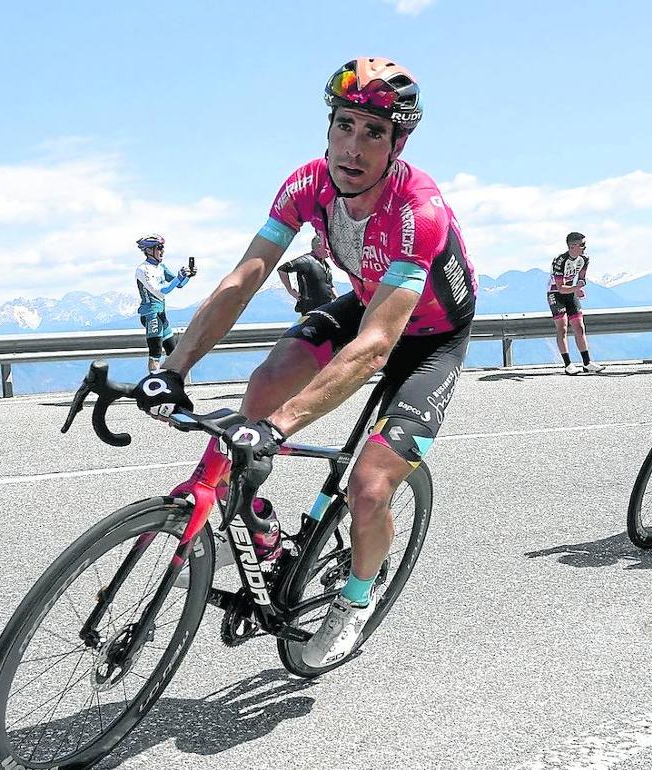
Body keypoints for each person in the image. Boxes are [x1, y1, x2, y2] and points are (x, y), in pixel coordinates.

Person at [133, 57, 477, 669]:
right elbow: (244, 279)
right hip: (368, 301)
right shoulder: (306, 185)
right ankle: (255, 520)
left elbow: (376, 344)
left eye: (374, 132)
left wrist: (281, 426)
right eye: (345, 125)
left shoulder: (416, 210)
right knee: (263, 384)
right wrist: (175, 368)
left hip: (429, 337)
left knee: (370, 487)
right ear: (327, 128)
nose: (353, 146)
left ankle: (355, 601)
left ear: (398, 141)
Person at [547, 232, 605, 374]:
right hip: (555, 293)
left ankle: (587, 363)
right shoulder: (559, 261)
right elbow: (560, 288)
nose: (585, 247)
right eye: (582, 245)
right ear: (572, 246)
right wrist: (576, 289)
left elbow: (582, 278)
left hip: (570, 292)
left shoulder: (584, 259)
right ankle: (568, 364)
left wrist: (579, 287)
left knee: (579, 327)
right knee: (563, 328)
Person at [134, 234, 193, 372]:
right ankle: (154, 388)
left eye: (163, 248)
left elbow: (179, 284)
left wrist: (188, 276)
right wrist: (179, 278)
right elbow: (161, 291)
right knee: (155, 354)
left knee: (172, 352)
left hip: (161, 314)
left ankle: (170, 385)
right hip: (151, 315)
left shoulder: (161, 267)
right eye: (159, 248)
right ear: (148, 250)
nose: (162, 251)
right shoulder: (143, 270)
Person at [278, 235, 337, 315]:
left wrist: (338, 300)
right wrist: (291, 290)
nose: (331, 249)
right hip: (310, 309)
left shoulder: (325, 265)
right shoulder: (306, 261)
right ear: (320, 246)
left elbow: (329, 286)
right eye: (328, 246)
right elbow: (282, 269)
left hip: (325, 308)